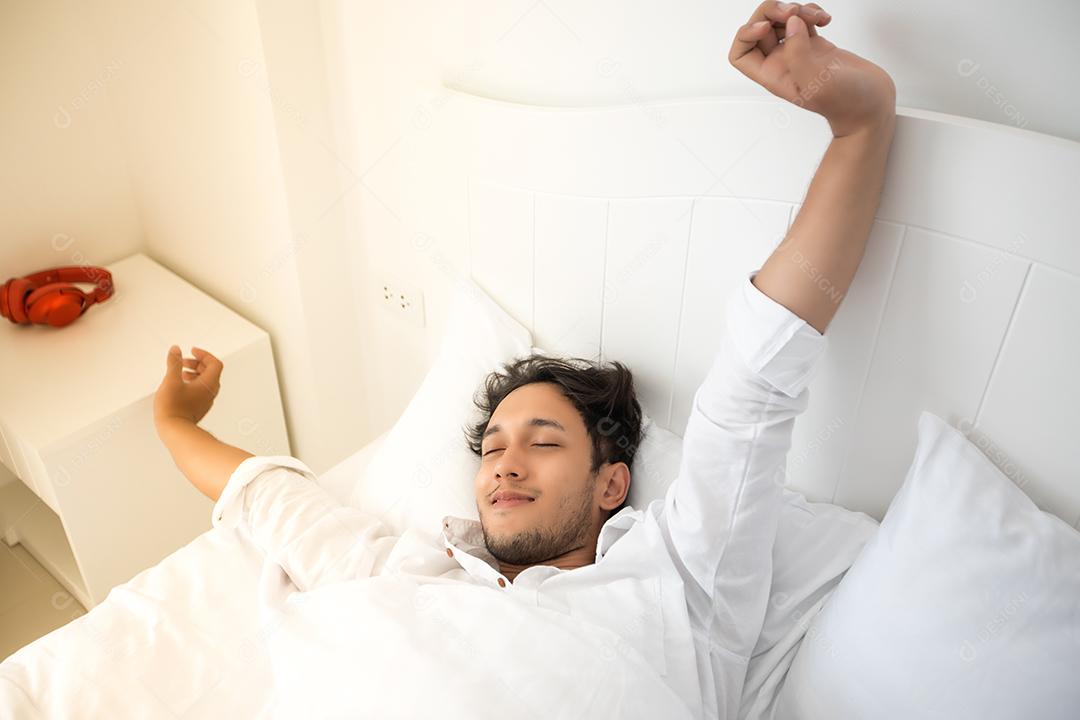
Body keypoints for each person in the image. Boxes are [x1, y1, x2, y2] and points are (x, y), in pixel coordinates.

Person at [153, 2, 896, 717]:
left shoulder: (684, 585)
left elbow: (756, 379)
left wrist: (859, 124)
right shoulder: (410, 572)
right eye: (493, 447)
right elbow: (269, 500)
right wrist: (173, 420)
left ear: (614, 483)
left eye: (543, 443)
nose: (505, 465)